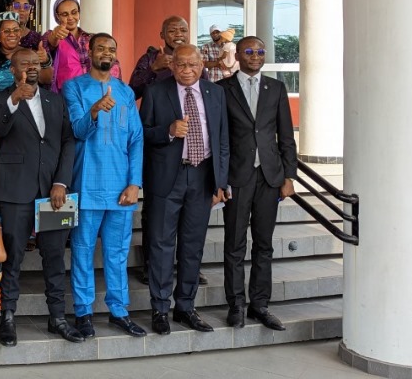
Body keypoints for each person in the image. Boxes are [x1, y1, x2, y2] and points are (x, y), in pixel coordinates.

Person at [0, 48, 83, 346]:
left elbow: (67, 141)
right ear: (13, 70)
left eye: (35, 63)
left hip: (53, 192)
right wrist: (15, 99)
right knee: (13, 256)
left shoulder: (56, 100)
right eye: (24, 63)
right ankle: (8, 317)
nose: (31, 67)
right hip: (15, 190)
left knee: (54, 256)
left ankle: (58, 318)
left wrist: (62, 182)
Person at [139, 44, 229, 335]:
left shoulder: (215, 93)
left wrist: (221, 181)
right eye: (180, 65)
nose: (187, 70)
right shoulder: (155, 92)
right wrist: (168, 131)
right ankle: (160, 308)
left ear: (202, 65)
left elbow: (223, 140)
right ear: (171, 66)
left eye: (192, 64)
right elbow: (141, 134)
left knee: (193, 246)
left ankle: (186, 307)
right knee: (161, 245)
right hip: (168, 178)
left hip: (202, 177)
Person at [62, 34, 146, 339]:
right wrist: (95, 110)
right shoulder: (74, 87)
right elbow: (76, 130)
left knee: (118, 252)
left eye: (112, 49)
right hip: (87, 184)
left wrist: (135, 183)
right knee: (83, 250)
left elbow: (136, 140)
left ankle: (119, 310)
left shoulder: (125, 92)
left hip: (121, 187)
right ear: (90, 53)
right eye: (101, 48)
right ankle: (83, 311)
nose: (106, 53)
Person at [218, 36, 297, 331]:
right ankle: (236, 305)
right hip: (237, 177)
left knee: (264, 245)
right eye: (249, 51)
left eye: (260, 51)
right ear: (238, 55)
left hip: (269, 176)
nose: (255, 55)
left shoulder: (275, 88)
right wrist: (220, 180)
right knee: (234, 244)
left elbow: (285, 135)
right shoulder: (222, 89)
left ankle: (260, 305)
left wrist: (289, 176)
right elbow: (219, 137)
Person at [45, 0, 113, 93]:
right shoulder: (53, 36)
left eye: (74, 12)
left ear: (79, 13)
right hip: (66, 94)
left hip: (94, 92)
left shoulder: (91, 38)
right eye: (65, 14)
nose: (70, 17)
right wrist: (55, 36)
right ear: (57, 16)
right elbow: (50, 43)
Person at [129, 15, 192, 101]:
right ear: (162, 35)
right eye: (172, 31)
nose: (179, 34)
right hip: (156, 109)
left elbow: (206, 90)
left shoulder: (194, 59)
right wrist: (154, 68)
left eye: (184, 30)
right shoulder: (149, 59)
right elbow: (132, 93)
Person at [0, 11, 52, 92]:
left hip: (27, 98)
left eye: (16, 30)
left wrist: (45, 61)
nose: (12, 34)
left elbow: (46, 80)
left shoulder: (29, 54)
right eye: (6, 31)